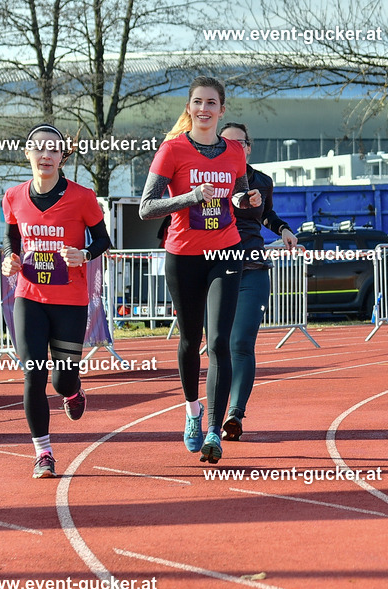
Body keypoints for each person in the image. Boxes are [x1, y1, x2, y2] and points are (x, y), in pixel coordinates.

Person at [139, 76, 262, 464]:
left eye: (212, 103)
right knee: (191, 339)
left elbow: (237, 195)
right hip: (183, 255)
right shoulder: (172, 150)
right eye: (198, 102)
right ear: (189, 108)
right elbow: (146, 207)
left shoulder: (233, 153)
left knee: (220, 341)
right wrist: (190, 196)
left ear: (221, 110)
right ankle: (193, 410)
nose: (205, 109)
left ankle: (213, 430)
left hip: (226, 251)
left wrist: (247, 198)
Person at [0, 125, 112, 478]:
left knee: (62, 380)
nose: (45, 155)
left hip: (69, 300)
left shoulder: (82, 196)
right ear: (27, 153)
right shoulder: (14, 196)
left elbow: (103, 240)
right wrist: (9, 258)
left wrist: (84, 253)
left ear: (63, 156)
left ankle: (73, 390)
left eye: (53, 149)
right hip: (29, 297)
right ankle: (43, 453)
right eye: (38, 148)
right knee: (33, 374)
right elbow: (11, 238)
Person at [217, 122, 296, 440]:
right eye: (228, 143)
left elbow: (267, 215)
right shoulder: (210, 179)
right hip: (216, 268)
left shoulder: (262, 181)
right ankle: (209, 417)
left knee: (241, 343)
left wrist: (284, 228)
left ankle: (235, 415)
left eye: (241, 143)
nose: (235, 147)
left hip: (252, 267)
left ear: (249, 147)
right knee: (217, 346)